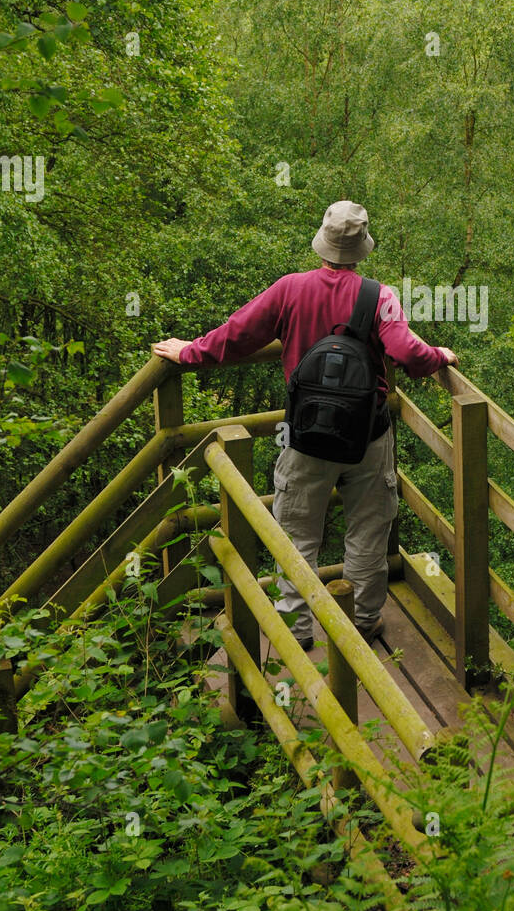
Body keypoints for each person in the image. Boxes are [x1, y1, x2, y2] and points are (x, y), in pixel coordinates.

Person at [152, 201, 458, 649]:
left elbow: (237, 335)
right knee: (369, 533)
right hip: (367, 439)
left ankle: (296, 637)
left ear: (323, 242)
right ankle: (362, 624)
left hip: (305, 438)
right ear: (362, 249)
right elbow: (408, 353)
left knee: (295, 540)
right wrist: (439, 357)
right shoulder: (381, 296)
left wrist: (190, 352)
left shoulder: (289, 289)